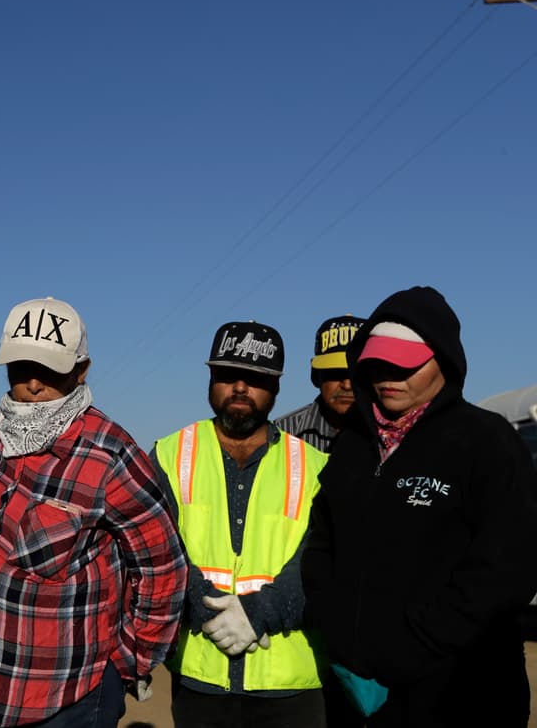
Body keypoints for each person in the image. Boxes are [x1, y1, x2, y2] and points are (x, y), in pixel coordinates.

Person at [0, 297, 188, 728]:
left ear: (81, 370)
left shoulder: (111, 454)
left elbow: (164, 566)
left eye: (50, 370)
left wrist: (125, 665)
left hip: (61, 701)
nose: (33, 383)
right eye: (20, 366)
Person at [302, 286, 537, 727]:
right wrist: (336, 631)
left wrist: (408, 649)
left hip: (463, 696)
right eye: (376, 363)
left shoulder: (486, 441)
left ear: (443, 359)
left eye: (404, 363)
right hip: (356, 693)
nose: (387, 375)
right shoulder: (352, 446)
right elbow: (322, 545)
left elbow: (506, 571)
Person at [152, 320, 329, 727]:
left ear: (277, 387)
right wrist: (202, 604)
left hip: (292, 685)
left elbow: (323, 555)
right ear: (210, 379)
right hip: (200, 677)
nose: (240, 387)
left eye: (255, 378)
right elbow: (157, 548)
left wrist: (261, 610)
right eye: (227, 375)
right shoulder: (168, 454)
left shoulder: (316, 467)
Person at [275, 314, 365, 452]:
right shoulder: (281, 433)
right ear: (315, 375)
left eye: (356, 374)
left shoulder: (398, 434)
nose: (347, 385)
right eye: (335, 373)